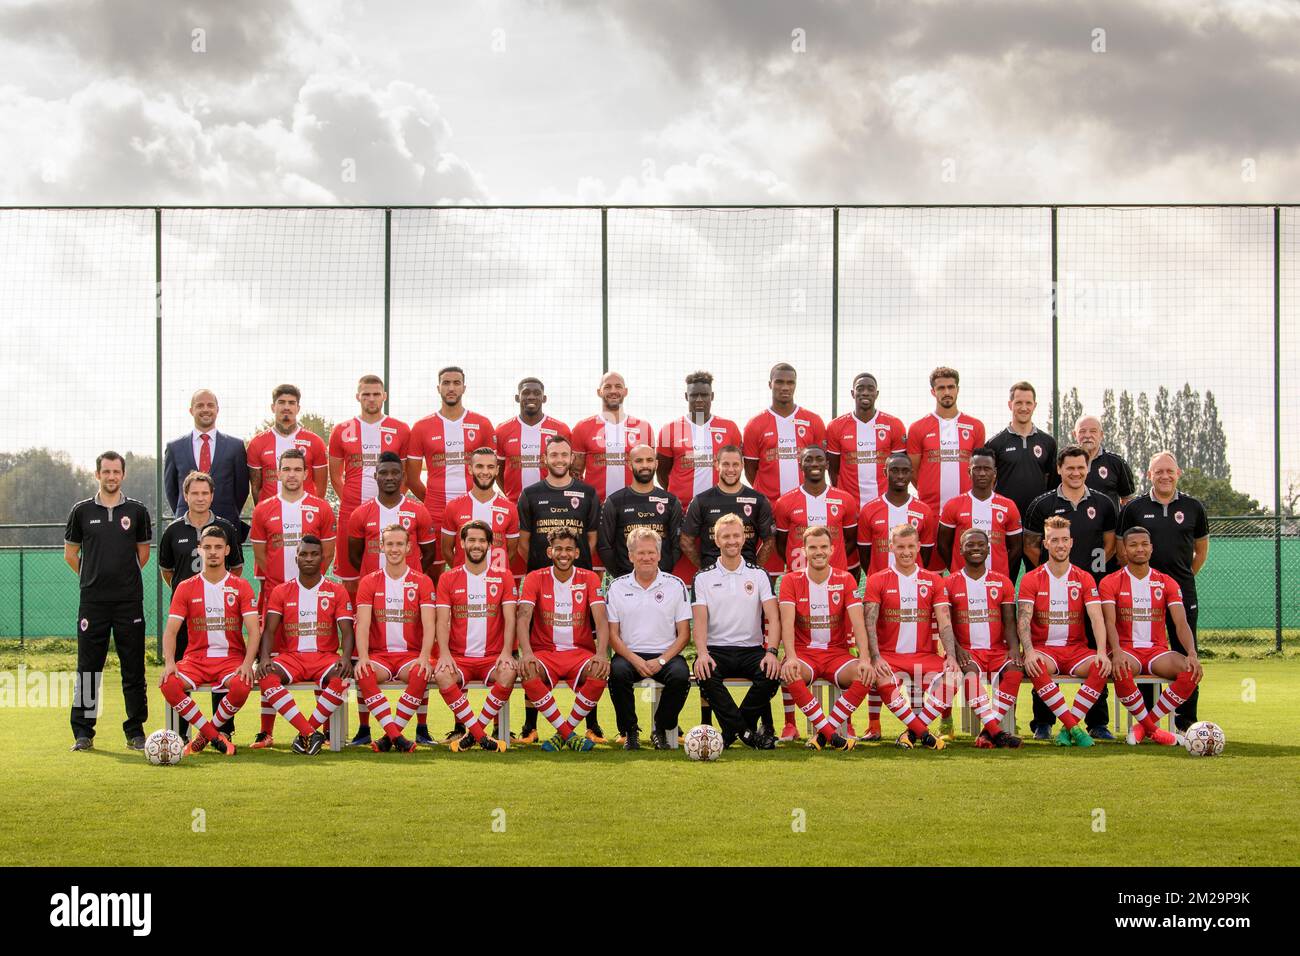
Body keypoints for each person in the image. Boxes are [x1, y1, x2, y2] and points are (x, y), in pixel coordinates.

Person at [1021, 444, 1117, 739]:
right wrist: (1050, 575)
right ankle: (1044, 723)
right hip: (1050, 587)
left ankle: (1097, 724)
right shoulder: (1042, 504)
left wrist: (1090, 574)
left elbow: (1111, 544)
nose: (1075, 472)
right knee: (1039, 658)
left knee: (1099, 660)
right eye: (1069, 468)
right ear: (1059, 470)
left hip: (1089, 587)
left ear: (1088, 469)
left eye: (1080, 467)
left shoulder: (1103, 503)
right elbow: (1030, 544)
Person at [344, 451, 437, 745]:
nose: (389, 478)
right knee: (365, 660)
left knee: (421, 660)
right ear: (376, 476)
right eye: (383, 473)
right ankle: (363, 729)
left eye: (395, 473)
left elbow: (431, 554)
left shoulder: (418, 510)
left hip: (411, 593)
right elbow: (355, 555)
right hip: (374, 594)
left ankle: (421, 729)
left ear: (404, 477)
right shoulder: (361, 513)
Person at [514, 434, 602, 743]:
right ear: (545, 458)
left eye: (565, 454)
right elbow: (524, 543)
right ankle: (530, 726)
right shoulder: (531, 494)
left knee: (587, 647)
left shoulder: (588, 493)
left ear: (571, 458)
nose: (560, 459)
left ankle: (592, 724)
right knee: (537, 649)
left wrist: (570, 563)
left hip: (579, 582)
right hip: (542, 584)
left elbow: (590, 539)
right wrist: (544, 568)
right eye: (554, 454)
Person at [64, 451, 153, 752]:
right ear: (97, 474)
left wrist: (122, 578)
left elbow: (143, 553)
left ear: (123, 475)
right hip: (93, 603)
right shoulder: (81, 511)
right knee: (89, 668)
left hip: (129, 602)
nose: (111, 476)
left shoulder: (138, 511)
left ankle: (135, 731)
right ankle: (83, 732)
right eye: (106, 471)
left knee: (133, 668)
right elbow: (70, 554)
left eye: (116, 472)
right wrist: (92, 577)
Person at [1116, 451, 1210, 729]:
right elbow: (1123, 550)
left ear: (1178, 473)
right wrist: (1144, 582)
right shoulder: (1134, 508)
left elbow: (1201, 551)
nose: (1165, 476)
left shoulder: (1194, 507)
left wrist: (1179, 583)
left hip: (1182, 592)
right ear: (1149, 475)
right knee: (1144, 648)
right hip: (1142, 595)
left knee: (1186, 650)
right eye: (1159, 472)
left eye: (1169, 471)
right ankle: (1147, 717)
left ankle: (1186, 718)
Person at [852, 454, 939, 741]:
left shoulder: (924, 510)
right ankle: (873, 725)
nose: (900, 475)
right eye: (895, 470)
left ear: (911, 473)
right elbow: (865, 555)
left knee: (915, 653)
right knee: (880, 658)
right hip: (881, 593)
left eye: (906, 470)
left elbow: (923, 553)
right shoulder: (870, 510)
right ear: (885, 472)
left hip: (914, 592)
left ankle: (912, 725)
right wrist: (880, 581)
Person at [158, 524, 258, 757]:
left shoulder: (241, 585)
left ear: (227, 551)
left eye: (218, 547)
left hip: (230, 659)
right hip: (196, 660)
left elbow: (254, 631)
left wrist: (247, 663)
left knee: (242, 685)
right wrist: (170, 662)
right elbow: (171, 631)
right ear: (199, 550)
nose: (213, 552)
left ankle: (202, 736)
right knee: (167, 683)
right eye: (208, 547)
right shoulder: (185, 587)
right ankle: (214, 735)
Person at [158, 470, 244, 741]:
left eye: (205, 493)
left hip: (221, 615)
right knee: (182, 673)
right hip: (187, 616)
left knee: (223, 669)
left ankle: (223, 731)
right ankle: (181, 733)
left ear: (212, 496)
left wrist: (217, 594)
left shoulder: (227, 528)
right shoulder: (173, 531)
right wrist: (190, 597)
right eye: (194, 493)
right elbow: (168, 572)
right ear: (185, 496)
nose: (199, 498)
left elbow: (237, 569)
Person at [1016, 516, 1113, 749]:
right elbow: (1023, 619)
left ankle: (1068, 727)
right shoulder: (1031, 579)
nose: (1060, 544)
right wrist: (1028, 652)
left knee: (1101, 664)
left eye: (1064, 540)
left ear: (1072, 542)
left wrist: (1101, 651)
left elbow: (1097, 617)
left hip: (1076, 650)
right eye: (1054, 540)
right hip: (1045, 650)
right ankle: (1074, 728)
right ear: (1046, 544)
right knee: (1035, 663)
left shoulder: (1084, 577)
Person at [862, 524, 960, 751]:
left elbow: (945, 622)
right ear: (890, 547)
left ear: (918, 546)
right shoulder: (877, 580)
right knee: (882, 677)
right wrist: (875, 657)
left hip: (924, 656)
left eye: (910, 546)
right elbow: (869, 623)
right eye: (900, 547)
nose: (905, 551)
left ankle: (913, 731)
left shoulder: (934, 580)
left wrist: (951, 656)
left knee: (954, 677)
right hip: (889, 656)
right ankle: (922, 732)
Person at [1100, 526, 1200, 747]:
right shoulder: (1110, 581)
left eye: (1144, 544)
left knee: (1191, 671)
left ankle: (1145, 726)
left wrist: (1192, 653)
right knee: (1121, 668)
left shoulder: (1166, 581)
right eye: (1133, 545)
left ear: (1152, 548)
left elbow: (1181, 623)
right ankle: (1155, 730)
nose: (1140, 549)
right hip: (1126, 649)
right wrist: (1115, 652)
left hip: (1157, 651)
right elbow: (1108, 622)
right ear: (1124, 550)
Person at [256, 535, 356, 755]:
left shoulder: (336, 590)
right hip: (291, 657)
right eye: (303, 554)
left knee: (342, 678)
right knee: (265, 676)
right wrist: (264, 658)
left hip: (325, 657)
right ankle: (310, 733)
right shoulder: (281, 591)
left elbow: (347, 631)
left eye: (314, 554)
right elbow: (270, 630)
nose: (308, 558)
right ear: (296, 558)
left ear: (322, 558)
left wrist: (346, 657)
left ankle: (307, 732)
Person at [515, 528, 612, 752]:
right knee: (528, 670)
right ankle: (568, 734)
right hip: (544, 653)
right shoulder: (534, 578)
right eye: (558, 549)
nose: (563, 554)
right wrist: (526, 653)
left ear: (577, 553)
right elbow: (523, 617)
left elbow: (601, 619)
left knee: (600, 670)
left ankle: (562, 733)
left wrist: (601, 654)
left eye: (569, 549)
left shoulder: (588, 578)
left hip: (580, 653)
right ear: (550, 552)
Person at [692, 515, 780, 749]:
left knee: (771, 673)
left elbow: (773, 616)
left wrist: (771, 652)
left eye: (736, 535)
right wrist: (701, 653)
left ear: (744, 538)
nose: (732, 541)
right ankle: (747, 733)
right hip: (716, 650)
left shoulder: (759, 574)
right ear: (716, 540)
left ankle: (731, 733)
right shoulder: (703, 577)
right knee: (704, 672)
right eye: (726, 536)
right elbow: (699, 623)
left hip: (751, 650)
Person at [777, 526, 868, 752]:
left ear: (832, 549)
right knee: (791, 672)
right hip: (804, 653)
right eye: (813, 547)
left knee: (866, 674)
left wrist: (865, 658)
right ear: (804, 551)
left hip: (836, 654)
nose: (819, 552)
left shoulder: (845, 579)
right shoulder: (790, 580)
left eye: (823, 547)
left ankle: (824, 730)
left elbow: (858, 623)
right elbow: (786, 624)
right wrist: (790, 657)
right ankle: (829, 733)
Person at [431, 521, 515, 754]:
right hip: (459, 657)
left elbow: (510, 619)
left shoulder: (504, 576)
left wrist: (507, 652)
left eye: (481, 541)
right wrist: (445, 654)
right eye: (471, 540)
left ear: (489, 545)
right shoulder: (448, 578)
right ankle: (480, 735)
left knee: (509, 672)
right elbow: (442, 621)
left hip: (493, 657)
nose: (476, 545)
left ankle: (472, 734)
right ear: (461, 543)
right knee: (442, 675)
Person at [605, 528, 692, 750]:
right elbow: (613, 635)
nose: (647, 557)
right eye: (641, 553)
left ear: (659, 555)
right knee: (617, 672)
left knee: (681, 676)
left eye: (651, 552)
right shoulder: (617, 587)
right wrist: (635, 660)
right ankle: (630, 732)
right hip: (629, 654)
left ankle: (660, 728)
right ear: (630, 555)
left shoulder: (675, 585)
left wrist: (661, 660)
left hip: (667, 655)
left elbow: (684, 635)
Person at [352, 524, 435, 754]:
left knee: (422, 671)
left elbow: (430, 625)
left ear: (409, 547)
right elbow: (363, 625)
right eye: (389, 544)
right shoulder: (369, 581)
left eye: (399, 544)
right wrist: (363, 657)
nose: (394, 549)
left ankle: (390, 737)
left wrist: (425, 657)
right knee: (363, 672)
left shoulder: (422, 581)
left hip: (410, 656)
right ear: (381, 547)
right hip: (379, 656)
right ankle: (397, 736)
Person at [329, 374, 411, 595]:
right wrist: (351, 502)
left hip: (389, 512)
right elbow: (335, 475)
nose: (371, 399)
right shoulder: (341, 430)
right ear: (358, 397)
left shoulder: (401, 429)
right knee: (350, 577)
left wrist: (391, 504)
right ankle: (356, 626)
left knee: (392, 570)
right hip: (350, 511)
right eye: (366, 395)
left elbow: (405, 476)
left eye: (376, 394)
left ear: (384, 396)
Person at [743, 363, 826, 578]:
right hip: (769, 511)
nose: (785, 387)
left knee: (806, 574)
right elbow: (751, 469)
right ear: (770, 384)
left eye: (790, 382)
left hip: (805, 511)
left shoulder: (813, 421)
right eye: (779, 381)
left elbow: (820, 463)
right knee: (767, 574)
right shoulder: (755, 424)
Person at [944, 528, 1023, 748]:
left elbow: (1009, 622)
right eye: (970, 544)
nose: (976, 548)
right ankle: (997, 732)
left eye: (980, 544)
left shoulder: (1003, 582)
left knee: (1016, 670)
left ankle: (988, 732)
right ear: (961, 550)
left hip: (997, 651)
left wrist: (1015, 648)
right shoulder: (949, 583)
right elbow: (946, 624)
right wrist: (957, 649)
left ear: (988, 549)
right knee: (969, 673)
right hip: (968, 651)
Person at [406, 366, 495, 540]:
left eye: (456, 383)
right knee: (433, 565)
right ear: (438, 388)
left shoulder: (482, 424)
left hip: (475, 508)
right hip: (435, 510)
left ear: (464, 388)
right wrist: (432, 498)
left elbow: (491, 470)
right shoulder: (421, 427)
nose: (451, 388)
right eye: (446, 383)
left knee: (474, 562)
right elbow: (412, 478)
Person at [249, 448, 337, 621]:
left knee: (310, 644)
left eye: (297, 470)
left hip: (311, 590)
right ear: (278, 473)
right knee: (273, 646)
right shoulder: (262, 509)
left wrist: (310, 579)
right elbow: (260, 555)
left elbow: (327, 554)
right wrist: (276, 580)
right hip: (275, 591)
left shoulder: (322, 508)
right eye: (287, 469)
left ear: (305, 474)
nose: (292, 474)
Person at [988, 381, 1057, 578]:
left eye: (1028, 403)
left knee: (1039, 579)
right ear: (1010, 405)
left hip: (1037, 525)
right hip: (1006, 524)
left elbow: (1052, 483)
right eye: (1018, 402)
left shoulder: (1048, 442)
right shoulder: (996, 443)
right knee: (1004, 578)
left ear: (1035, 405)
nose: (1024, 407)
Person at [163, 389, 249, 539]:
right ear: (191, 410)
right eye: (200, 405)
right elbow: (171, 491)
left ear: (217, 409)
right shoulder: (175, 447)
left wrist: (228, 511)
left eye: (210, 405)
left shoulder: (235, 446)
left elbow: (241, 490)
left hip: (226, 526)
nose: (205, 409)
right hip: (186, 525)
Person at [680, 445, 776, 572]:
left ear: (742, 465)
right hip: (711, 575)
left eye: (735, 464)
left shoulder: (759, 500)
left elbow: (769, 541)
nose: (731, 469)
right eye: (725, 464)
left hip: (747, 575)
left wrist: (754, 569)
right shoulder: (701, 501)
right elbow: (686, 541)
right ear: (716, 464)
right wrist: (705, 567)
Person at [907, 366, 986, 518]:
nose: (947, 392)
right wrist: (931, 491)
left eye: (951, 387)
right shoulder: (918, 428)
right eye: (941, 388)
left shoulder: (976, 426)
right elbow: (913, 471)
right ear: (933, 391)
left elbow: (979, 468)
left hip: (967, 509)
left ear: (958, 389)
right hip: (930, 509)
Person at [598, 443, 683, 577]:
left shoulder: (671, 502)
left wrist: (664, 569)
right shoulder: (614, 502)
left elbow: (677, 545)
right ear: (630, 465)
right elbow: (604, 546)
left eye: (649, 460)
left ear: (656, 464)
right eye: (639, 461)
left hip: (662, 578)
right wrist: (622, 574)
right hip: (625, 579)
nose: (644, 465)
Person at [570, 371, 654, 507]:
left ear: (625, 391)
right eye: (607, 387)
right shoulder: (582, 427)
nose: (613, 391)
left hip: (633, 505)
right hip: (595, 507)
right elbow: (575, 471)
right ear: (599, 392)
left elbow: (651, 469)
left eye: (618, 386)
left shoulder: (643, 427)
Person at [936, 447, 1023, 578]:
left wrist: (1002, 572)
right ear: (969, 472)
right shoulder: (953, 505)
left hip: (997, 582)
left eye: (987, 469)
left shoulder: (1008, 506)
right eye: (977, 468)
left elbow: (1016, 547)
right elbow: (943, 544)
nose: (982, 473)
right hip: (961, 582)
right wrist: (955, 569)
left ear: (994, 473)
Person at [826, 372, 908, 510]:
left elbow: (900, 468)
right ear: (853, 393)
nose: (865, 392)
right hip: (850, 505)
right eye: (860, 388)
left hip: (884, 504)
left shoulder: (894, 424)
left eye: (870, 389)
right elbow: (834, 470)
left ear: (876, 394)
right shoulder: (836, 426)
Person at [774, 444, 857, 575]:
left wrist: (831, 558)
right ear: (800, 465)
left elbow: (851, 540)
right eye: (808, 459)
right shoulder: (784, 502)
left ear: (827, 464)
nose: (814, 463)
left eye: (819, 459)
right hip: (798, 576)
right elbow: (780, 544)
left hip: (836, 577)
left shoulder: (846, 499)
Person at [441, 447, 520, 575]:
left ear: (497, 470)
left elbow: (511, 552)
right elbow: (446, 551)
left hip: (497, 583)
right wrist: (465, 573)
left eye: (490, 467)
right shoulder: (453, 507)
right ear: (470, 469)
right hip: (464, 582)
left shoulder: (509, 508)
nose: (485, 472)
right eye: (479, 466)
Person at [495, 376, 572, 502]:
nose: (531, 397)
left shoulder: (561, 429)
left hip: (552, 504)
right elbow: (498, 470)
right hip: (515, 505)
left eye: (537, 393)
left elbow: (570, 468)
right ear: (517, 398)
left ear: (544, 398)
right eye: (525, 393)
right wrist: (510, 496)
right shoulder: (502, 430)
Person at [247, 384, 328, 502]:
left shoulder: (315, 442)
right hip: (271, 515)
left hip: (305, 515)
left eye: (291, 403)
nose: (286, 407)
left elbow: (320, 489)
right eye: (281, 402)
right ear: (273, 407)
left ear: (298, 408)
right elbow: (255, 488)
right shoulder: (257, 443)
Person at [1073, 414, 1136, 512]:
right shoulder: (1065, 463)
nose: (1087, 435)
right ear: (1074, 434)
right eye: (1082, 431)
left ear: (1101, 434)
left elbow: (1127, 499)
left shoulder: (1117, 462)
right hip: (1074, 525)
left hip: (1109, 526)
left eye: (1093, 431)